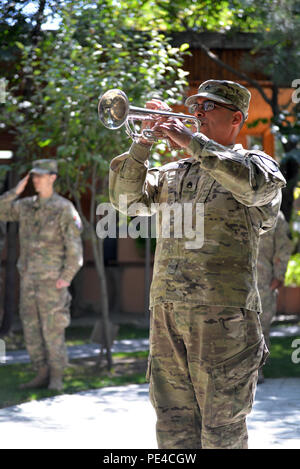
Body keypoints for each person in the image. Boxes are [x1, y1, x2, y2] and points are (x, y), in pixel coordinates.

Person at [109, 80, 286, 449]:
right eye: (196, 106)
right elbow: (127, 203)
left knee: (221, 434)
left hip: (224, 321)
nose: (197, 113)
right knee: (173, 431)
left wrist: (193, 143)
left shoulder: (256, 165)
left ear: (235, 118)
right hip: (167, 315)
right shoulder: (174, 172)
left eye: (209, 107)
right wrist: (142, 145)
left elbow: (256, 190)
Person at [0, 159, 83, 390]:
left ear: (52, 177)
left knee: (53, 329)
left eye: (41, 175)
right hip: (29, 281)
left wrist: (66, 276)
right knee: (31, 330)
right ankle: (41, 372)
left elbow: (75, 247)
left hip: (52, 282)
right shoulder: (26, 206)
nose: (36, 179)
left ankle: (56, 376)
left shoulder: (63, 208)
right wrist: (15, 191)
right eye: (33, 176)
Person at [257, 210, 293, 383]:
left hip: (263, 284)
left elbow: (284, 246)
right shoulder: (235, 209)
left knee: (260, 328)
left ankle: (257, 371)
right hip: (235, 283)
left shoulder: (274, 215)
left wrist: (278, 277)